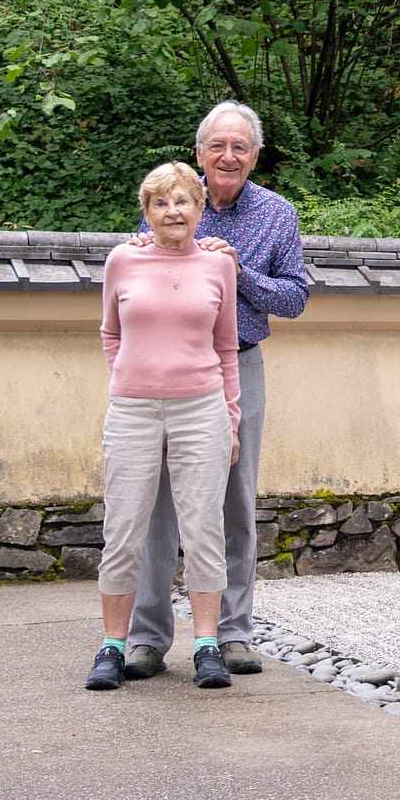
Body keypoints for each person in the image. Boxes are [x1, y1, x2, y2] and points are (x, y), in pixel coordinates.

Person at [122, 101, 311, 680]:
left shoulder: (277, 215)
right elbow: (134, 273)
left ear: (254, 156)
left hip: (238, 367)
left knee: (234, 500)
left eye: (240, 147)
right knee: (155, 504)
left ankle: (231, 633)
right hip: (164, 372)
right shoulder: (175, 197)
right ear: (201, 151)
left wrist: (236, 270)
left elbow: (295, 298)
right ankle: (147, 637)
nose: (228, 156)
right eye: (217, 146)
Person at [88, 163, 242, 690]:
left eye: (183, 202)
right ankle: (111, 646)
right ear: (146, 211)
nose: (172, 211)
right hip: (132, 410)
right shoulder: (122, 259)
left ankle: (206, 647)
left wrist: (231, 417)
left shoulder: (219, 265)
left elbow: (227, 348)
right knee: (123, 529)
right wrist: (135, 378)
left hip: (202, 409)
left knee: (204, 529)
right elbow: (111, 334)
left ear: (201, 208)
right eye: (160, 203)